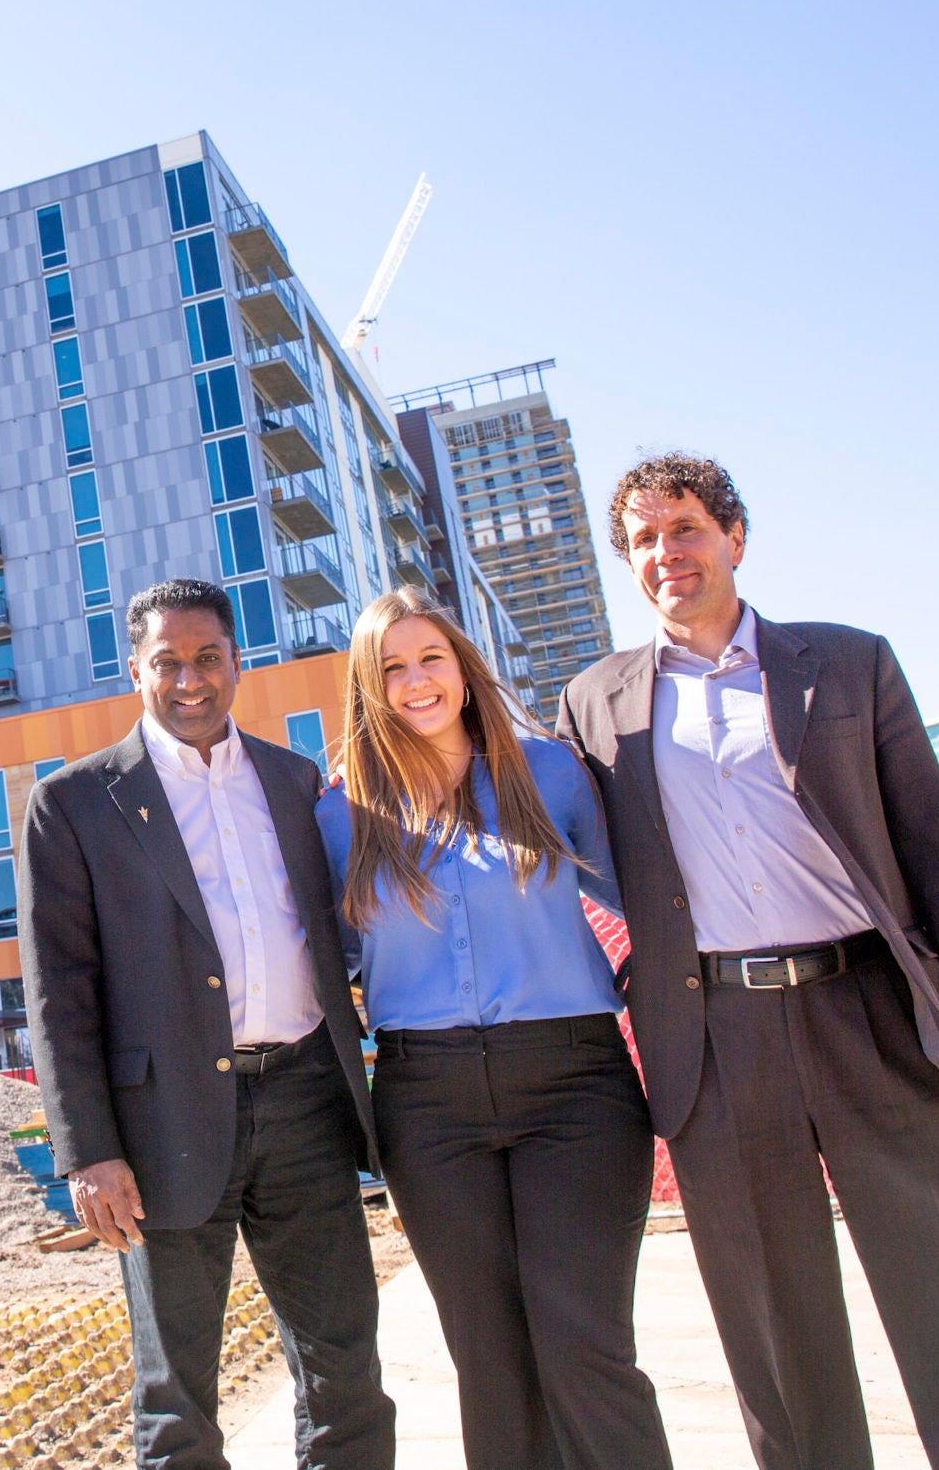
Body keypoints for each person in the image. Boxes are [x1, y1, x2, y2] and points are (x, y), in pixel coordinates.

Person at [554, 453, 939, 1470]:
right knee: (775, 1331)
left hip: (869, 1006)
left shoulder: (846, 661)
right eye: (645, 537)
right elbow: (569, 843)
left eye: (686, 526)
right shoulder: (594, 699)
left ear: (734, 536)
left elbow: (932, 843)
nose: (668, 551)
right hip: (716, 1034)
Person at [22, 579, 394, 1470]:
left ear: (237, 662)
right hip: (163, 1131)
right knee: (178, 1402)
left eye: (207, 659)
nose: (189, 680)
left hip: (306, 1102)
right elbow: (59, 994)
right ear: (135, 671)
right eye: (167, 663)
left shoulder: (294, 780)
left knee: (346, 1376)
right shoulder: (74, 804)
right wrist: (90, 1151)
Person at [316, 587, 671, 1470]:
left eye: (430, 658)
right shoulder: (339, 814)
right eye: (391, 668)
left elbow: (654, 902)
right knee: (491, 1360)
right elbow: (324, 961)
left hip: (575, 1088)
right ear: (370, 687)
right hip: (427, 1106)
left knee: (583, 1346)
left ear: (464, 668)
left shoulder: (550, 773)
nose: (416, 681)